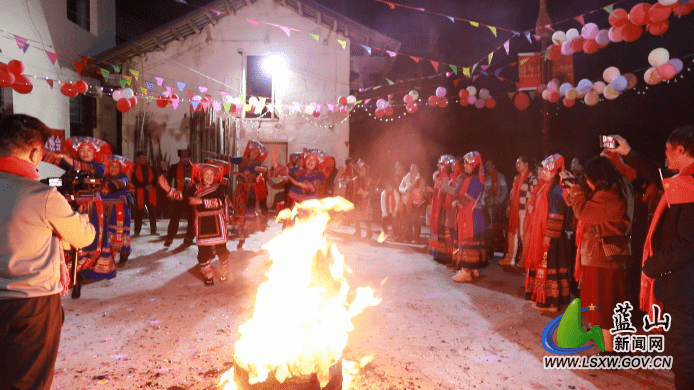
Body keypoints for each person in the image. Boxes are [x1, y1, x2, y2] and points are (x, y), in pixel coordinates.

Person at [0, 114, 96, 390]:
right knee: (28, 380)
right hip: (32, 304)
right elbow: (82, 237)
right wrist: (81, 217)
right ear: (34, 152)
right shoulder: (40, 196)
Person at [611, 129, 694, 389]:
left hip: (684, 286)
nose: (665, 154)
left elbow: (687, 244)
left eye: (668, 149)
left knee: (684, 354)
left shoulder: (690, 186)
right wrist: (628, 152)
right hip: (680, 284)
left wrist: (651, 267)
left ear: (681, 150)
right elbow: (658, 176)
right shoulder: (683, 181)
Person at [561, 156, 631, 353]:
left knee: (604, 307)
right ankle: (608, 345)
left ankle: (610, 353)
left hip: (603, 260)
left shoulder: (609, 196)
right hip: (598, 258)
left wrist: (575, 189)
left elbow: (582, 211)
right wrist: (571, 187)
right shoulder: (605, 192)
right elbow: (576, 204)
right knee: (600, 306)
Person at [159, 163, 231, 286]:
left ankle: (224, 269)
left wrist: (200, 201)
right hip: (202, 224)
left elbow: (219, 202)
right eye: (206, 174)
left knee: (222, 250)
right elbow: (183, 196)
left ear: (215, 176)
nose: (209, 177)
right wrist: (168, 190)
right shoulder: (194, 188)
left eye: (211, 174)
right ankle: (208, 274)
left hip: (217, 223)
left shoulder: (219, 188)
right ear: (201, 176)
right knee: (203, 253)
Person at [522, 154, 571, 312]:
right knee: (542, 265)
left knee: (550, 266)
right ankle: (541, 297)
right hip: (541, 233)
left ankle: (552, 303)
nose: (543, 172)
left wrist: (549, 235)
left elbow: (557, 214)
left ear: (555, 171)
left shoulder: (557, 189)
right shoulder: (545, 186)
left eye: (546, 170)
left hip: (551, 235)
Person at [452, 152, 487, 282]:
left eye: (468, 163)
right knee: (473, 241)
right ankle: (474, 269)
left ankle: (466, 271)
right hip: (473, 215)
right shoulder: (471, 178)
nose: (465, 166)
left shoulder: (476, 180)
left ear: (474, 165)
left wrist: (456, 203)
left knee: (469, 240)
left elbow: (468, 197)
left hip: (472, 217)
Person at [500, 156, 538, 266]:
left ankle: (524, 259)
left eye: (519, 163)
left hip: (524, 211)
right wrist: (509, 207)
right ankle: (510, 258)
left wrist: (530, 211)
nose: (517, 165)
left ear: (526, 164)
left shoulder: (532, 179)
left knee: (523, 235)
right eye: (516, 163)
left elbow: (534, 196)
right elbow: (512, 195)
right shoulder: (516, 178)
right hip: (515, 211)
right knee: (512, 234)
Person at [230, 140, 269, 250]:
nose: (253, 154)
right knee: (240, 217)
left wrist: (262, 169)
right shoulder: (241, 160)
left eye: (256, 153)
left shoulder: (258, 164)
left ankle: (258, 222)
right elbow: (229, 158)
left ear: (258, 155)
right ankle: (241, 239)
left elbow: (265, 170)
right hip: (241, 191)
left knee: (250, 215)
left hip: (251, 191)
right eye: (252, 151)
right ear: (249, 151)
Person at [99, 155, 134, 270]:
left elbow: (121, 184)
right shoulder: (104, 178)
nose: (113, 169)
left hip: (119, 212)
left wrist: (108, 185)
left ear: (120, 169)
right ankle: (109, 257)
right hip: (105, 211)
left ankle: (123, 257)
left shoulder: (123, 178)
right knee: (106, 234)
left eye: (116, 167)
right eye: (111, 166)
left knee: (120, 234)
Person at [163, 148, 194, 247]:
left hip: (190, 197)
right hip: (178, 196)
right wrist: (171, 190)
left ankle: (188, 239)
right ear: (180, 157)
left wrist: (191, 182)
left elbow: (199, 181)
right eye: (183, 157)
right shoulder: (174, 167)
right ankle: (169, 239)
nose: (185, 159)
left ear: (189, 157)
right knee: (175, 218)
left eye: (187, 157)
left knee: (192, 219)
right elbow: (167, 179)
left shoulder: (194, 168)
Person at [429, 155, 454, 261]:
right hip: (437, 205)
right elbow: (438, 190)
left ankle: (446, 255)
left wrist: (440, 184)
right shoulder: (438, 175)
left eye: (441, 164)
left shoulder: (449, 177)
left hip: (444, 207)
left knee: (444, 229)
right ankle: (438, 253)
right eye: (439, 164)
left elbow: (446, 191)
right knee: (438, 228)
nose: (439, 165)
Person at [482, 159, 508, 259]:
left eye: (489, 164)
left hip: (494, 206)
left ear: (494, 165)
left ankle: (496, 249)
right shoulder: (485, 177)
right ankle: (489, 250)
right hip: (485, 205)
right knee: (487, 229)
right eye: (486, 164)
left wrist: (499, 201)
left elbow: (505, 190)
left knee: (494, 229)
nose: (487, 166)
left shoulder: (499, 176)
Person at [132, 151, 158, 236]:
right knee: (139, 212)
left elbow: (155, 179)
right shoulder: (134, 169)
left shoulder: (151, 168)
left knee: (152, 212)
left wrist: (151, 185)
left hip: (150, 192)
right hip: (140, 193)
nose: (143, 159)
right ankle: (137, 231)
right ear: (138, 159)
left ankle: (153, 230)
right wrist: (144, 186)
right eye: (141, 158)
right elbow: (134, 181)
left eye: (144, 157)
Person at [399, 163, 426, 243]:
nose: (412, 170)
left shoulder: (421, 179)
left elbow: (421, 190)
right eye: (411, 168)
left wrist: (416, 189)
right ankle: (409, 237)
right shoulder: (406, 178)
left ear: (418, 170)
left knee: (416, 221)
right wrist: (405, 190)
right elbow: (400, 188)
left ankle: (416, 238)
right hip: (407, 202)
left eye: (414, 168)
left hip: (417, 203)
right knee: (408, 221)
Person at [353, 161, 374, 239]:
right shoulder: (355, 179)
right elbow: (354, 189)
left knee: (367, 219)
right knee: (357, 218)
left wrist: (368, 194)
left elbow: (372, 190)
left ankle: (369, 233)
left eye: (364, 170)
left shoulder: (369, 180)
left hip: (366, 201)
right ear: (359, 171)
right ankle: (358, 232)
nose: (363, 172)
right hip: (357, 200)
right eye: (361, 170)